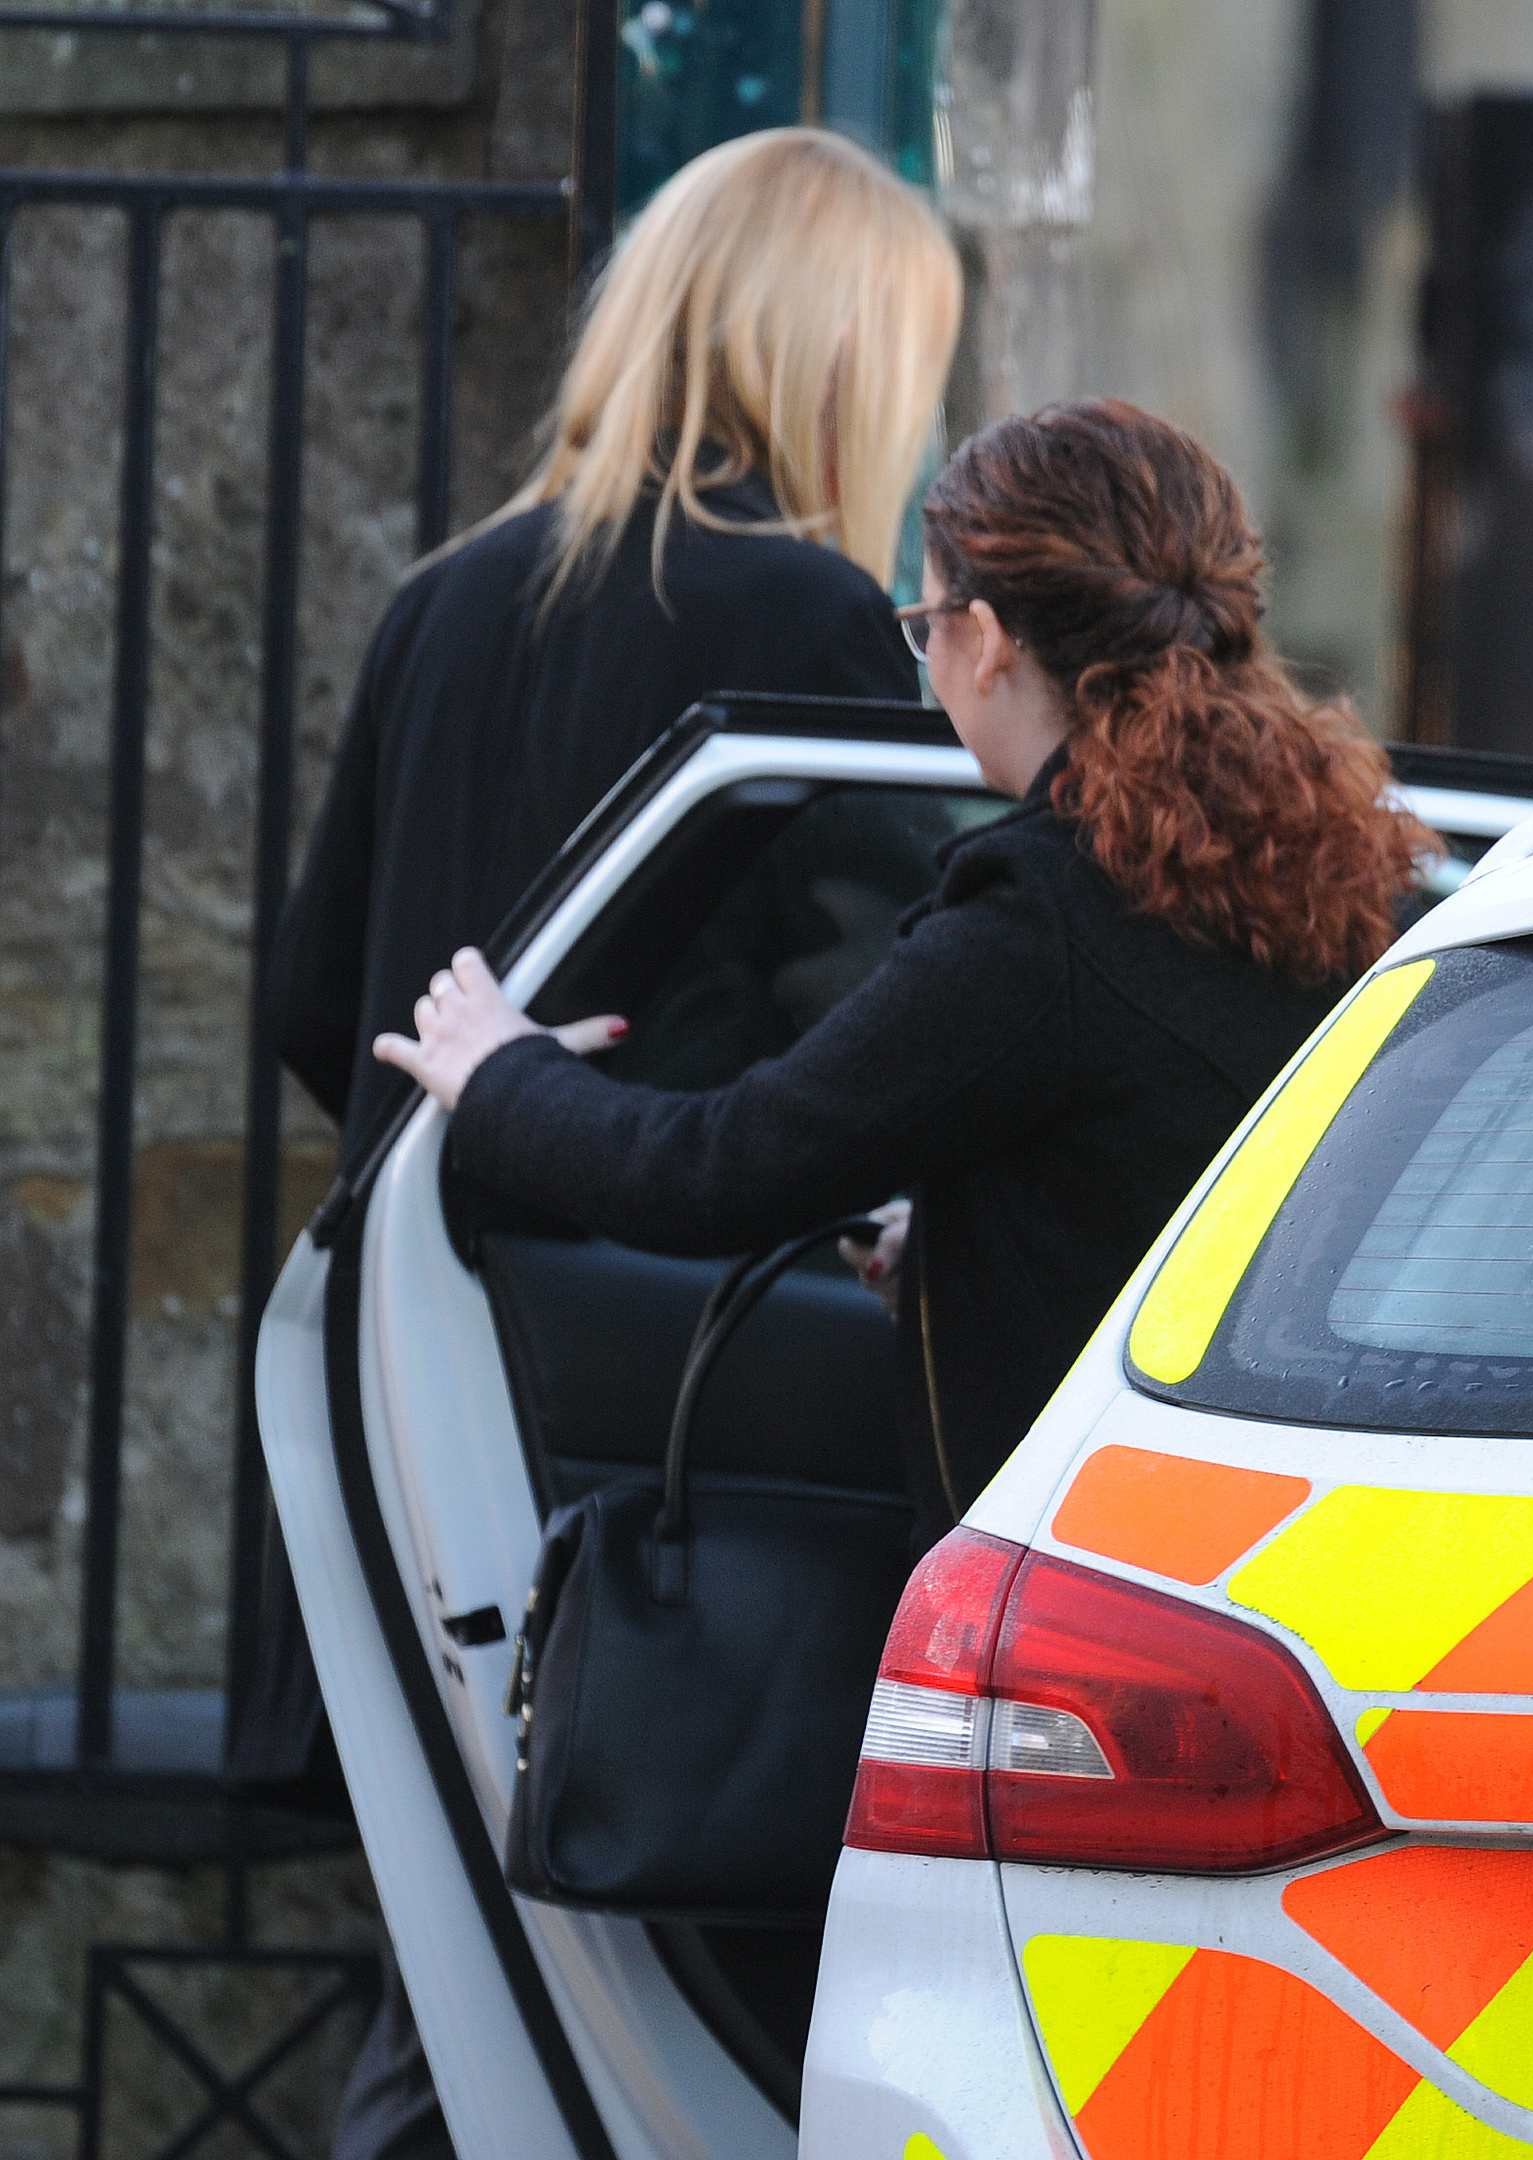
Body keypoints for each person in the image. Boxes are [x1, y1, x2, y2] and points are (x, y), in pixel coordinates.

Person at [247, 126, 962, 2160]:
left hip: (417, 1399)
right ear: (839, 351)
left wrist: (485, 1141)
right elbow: (889, 1047)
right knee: (637, 2038)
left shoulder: (443, 601)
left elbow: (321, 1011)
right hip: (665, 1452)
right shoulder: (814, 619)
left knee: (466, 2005)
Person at [374, 397, 1435, 1539]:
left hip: (1083, 1556)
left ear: (983, 641)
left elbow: (716, 1170)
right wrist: (969, 1242)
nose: (926, 655)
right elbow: (1182, 1174)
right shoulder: (1335, 860)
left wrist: (500, 1076)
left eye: (923, 623)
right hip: (1279, 1512)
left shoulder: (1044, 913)